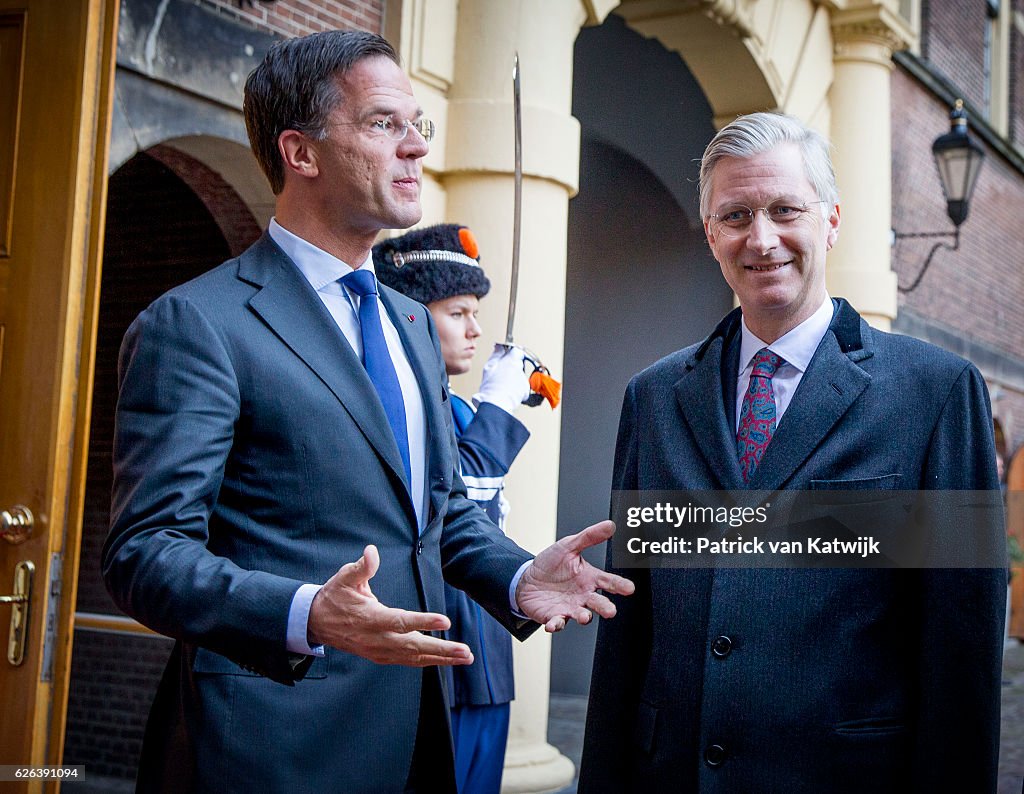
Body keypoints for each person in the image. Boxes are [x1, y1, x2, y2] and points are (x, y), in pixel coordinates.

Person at [101, 30, 632, 794]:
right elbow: (144, 554)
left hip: (417, 737)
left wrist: (518, 578)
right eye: (384, 124)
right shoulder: (198, 324)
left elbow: (439, 516)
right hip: (270, 744)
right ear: (302, 152)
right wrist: (306, 612)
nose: (415, 147)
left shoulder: (411, 323)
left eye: (420, 125)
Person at [578, 112, 1005, 792]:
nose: (762, 238)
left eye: (785, 209)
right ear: (712, 234)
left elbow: (961, 647)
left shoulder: (936, 394)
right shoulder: (654, 397)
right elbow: (632, 622)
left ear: (831, 220)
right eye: (736, 214)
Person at [374, 223, 532, 794]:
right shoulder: (393, 402)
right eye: (458, 313)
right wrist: (498, 407)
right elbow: (449, 498)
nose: (475, 330)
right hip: (435, 637)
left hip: (485, 643)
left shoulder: (459, 409)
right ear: (412, 315)